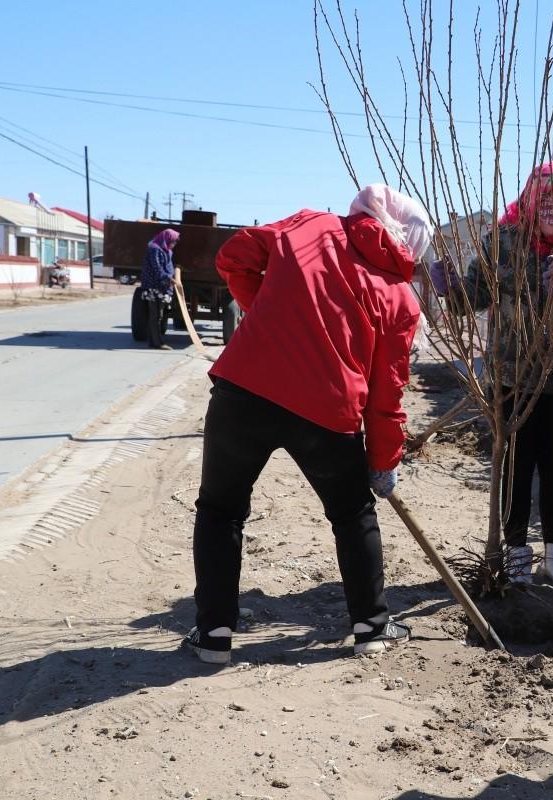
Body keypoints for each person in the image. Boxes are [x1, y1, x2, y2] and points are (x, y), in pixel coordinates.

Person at [182, 185, 433, 663]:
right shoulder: (401, 299)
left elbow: (234, 258)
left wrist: (272, 317)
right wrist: (382, 462)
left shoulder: (310, 226)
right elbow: (388, 394)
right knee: (353, 512)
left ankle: (213, 636)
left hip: (245, 389)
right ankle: (372, 627)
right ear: (409, 245)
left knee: (221, 510)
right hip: (328, 411)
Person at [429, 161, 553, 589]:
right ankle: (517, 554)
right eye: (549, 201)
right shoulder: (502, 242)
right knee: (516, 468)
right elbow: (472, 298)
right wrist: (450, 289)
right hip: (512, 377)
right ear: (533, 200)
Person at [140, 228, 178, 350]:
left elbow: (167, 266)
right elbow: (157, 268)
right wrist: (168, 278)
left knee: (158, 315)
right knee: (155, 315)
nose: (174, 244)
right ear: (167, 239)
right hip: (153, 287)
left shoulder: (166, 250)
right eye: (173, 241)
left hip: (161, 287)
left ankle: (154, 341)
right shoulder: (154, 250)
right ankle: (157, 343)